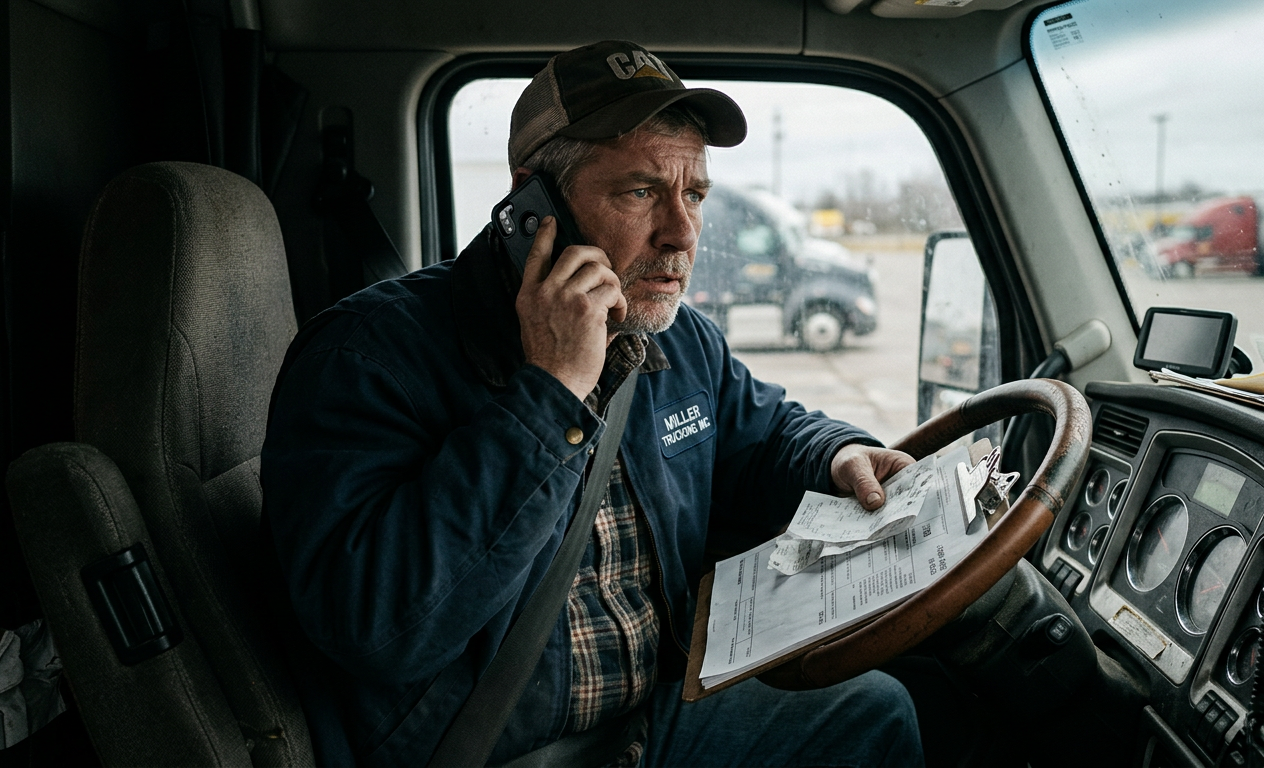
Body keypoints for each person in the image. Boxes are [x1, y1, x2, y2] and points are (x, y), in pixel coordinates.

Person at [261, 40, 924, 767]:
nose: (683, 231)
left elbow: (764, 434)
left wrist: (838, 455)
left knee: (875, 711)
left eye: (694, 194)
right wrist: (549, 392)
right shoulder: (363, 356)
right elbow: (382, 625)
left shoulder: (679, 341)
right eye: (639, 192)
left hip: (648, 718)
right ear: (532, 204)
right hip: (489, 751)